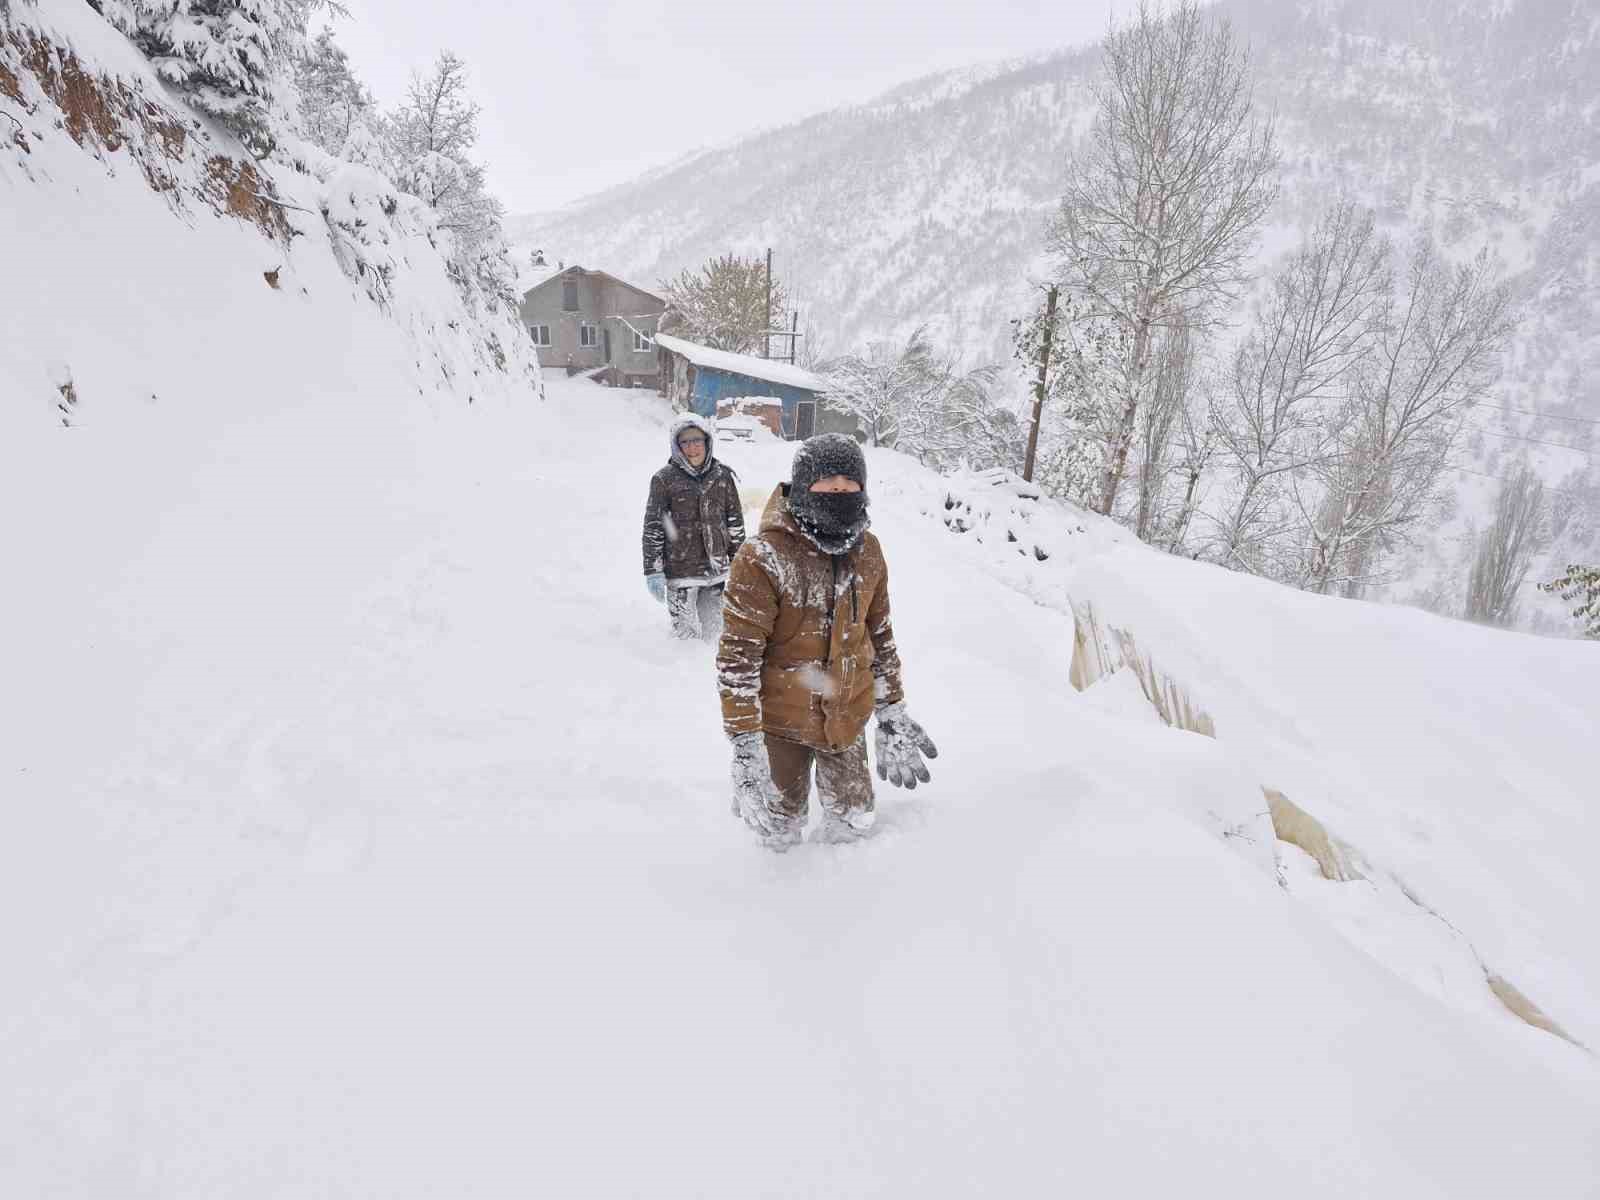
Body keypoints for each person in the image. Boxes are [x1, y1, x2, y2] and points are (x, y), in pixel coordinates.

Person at [716, 433, 938, 849]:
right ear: (803, 486)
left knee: (855, 826)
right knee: (776, 830)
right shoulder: (763, 557)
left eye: (849, 483)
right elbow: (737, 661)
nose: (839, 490)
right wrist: (746, 745)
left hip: (846, 719)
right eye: (827, 481)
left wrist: (890, 709)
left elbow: (880, 636)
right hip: (779, 726)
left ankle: (845, 899)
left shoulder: (868, 551)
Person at [642, 414, 746, 639]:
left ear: (707, 441)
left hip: (716, 571)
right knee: (686, 639)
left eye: (697, 440)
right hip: (681, 574)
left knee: (715, 637)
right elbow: (654, 528)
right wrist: (653, 571)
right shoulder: (664, 479)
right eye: (685, 442)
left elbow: (734, 522)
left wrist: (741, 563)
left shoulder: (722, 476)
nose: (692, 447)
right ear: (676, 445)